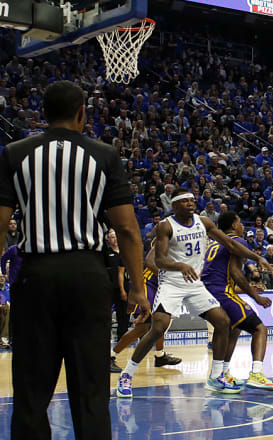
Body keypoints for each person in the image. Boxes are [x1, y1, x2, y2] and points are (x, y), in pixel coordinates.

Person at [0, 80, 147, 440]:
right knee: (91, 391)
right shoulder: (104, 154)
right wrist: (138, 288)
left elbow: (0, 222)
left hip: (35, 277)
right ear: (83, 113)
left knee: (32, 392)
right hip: (88, 275)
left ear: (42, 115)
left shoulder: (14, 153)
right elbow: (127, 229)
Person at [116, 188, 273, 398]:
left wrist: (257, 258)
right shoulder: (166, 226)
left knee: (222, 321)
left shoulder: (205, 222)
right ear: (174, 205)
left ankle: (216, 376)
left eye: (192, 200)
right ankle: (127, 375)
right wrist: (180, 266)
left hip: (195, 284)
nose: (191, 203)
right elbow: (158, 260)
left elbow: (230, 243)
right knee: (157, 328)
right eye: (185, 201)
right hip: (172, 283)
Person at [201, 211, 273, 390]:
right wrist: (256, 297)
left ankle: (222, 373)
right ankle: (256, 373)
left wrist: (250, 289)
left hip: (207, 291)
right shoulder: (238, 241)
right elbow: (236, 273)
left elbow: (218, 275)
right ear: (234, 225)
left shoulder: (214, 244)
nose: (243, 226)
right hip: (221, 291)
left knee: (234, 328)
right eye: (240, 222)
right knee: (260, 329)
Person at [110, 242, 181, 373]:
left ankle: (160, 356)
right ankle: (111, 355)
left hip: (160, 287)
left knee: (161, 323)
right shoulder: (166, 237)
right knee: (142, 328)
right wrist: (166, 276)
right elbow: (149, 261)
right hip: (147, 285)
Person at [105, 229, 130, 341]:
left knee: (123, 315)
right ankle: (106, 338)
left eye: (116, 237)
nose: (114, 239)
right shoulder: (105, 253)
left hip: (124, 287)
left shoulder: (125, 252)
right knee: (106, 315)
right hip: (109, 287)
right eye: (112, 237)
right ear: (108, 239)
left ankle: (122, 339)